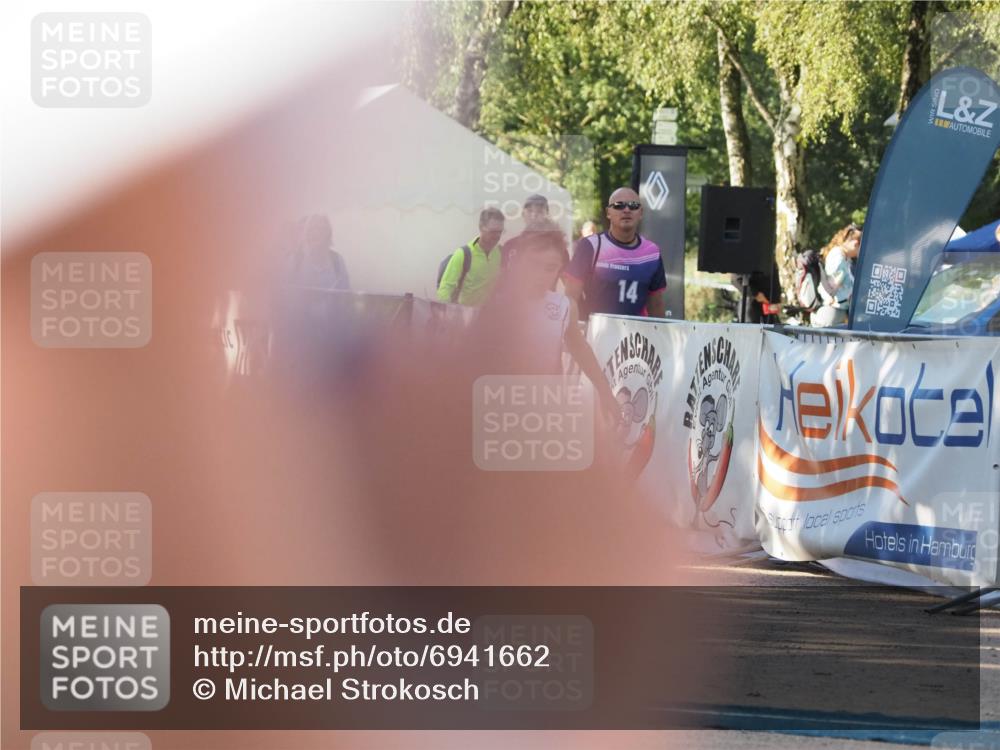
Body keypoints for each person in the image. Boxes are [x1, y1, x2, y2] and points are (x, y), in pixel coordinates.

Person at [471, 220, 620, 423]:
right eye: (533, 265)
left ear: (560, 269)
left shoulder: (564, 307)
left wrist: (605, 392)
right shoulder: (499, 306)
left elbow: (580, 348)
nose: (541, 275)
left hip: (546, 409)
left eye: (550, 268)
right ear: (520, 261)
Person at [563, 187, 667, 319]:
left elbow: (656, 305)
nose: (627, 210)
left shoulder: (652, 252)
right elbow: (570, 297)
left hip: (637, 337)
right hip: (595, 334)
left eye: (633, 206)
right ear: (608, 212)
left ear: (641, 213)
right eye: (619, 205)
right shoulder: (590, 246)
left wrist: (661, 338)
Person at [437, 207, 505, 306]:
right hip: (464, 316)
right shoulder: (463, 254)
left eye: (500, 232)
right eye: (493, 231)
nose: (497, 236)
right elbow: (445, 288)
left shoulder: (501, 252)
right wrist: (446, 315)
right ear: (481, 227)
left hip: (490, 317)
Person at [812, 223, 862, 327]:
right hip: (832, 313)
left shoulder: (845, 258)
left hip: (837, 313)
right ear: (855, 243)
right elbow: (829, 286)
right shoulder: (838, 257)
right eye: (860, 246)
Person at [285, 214, 350, 290]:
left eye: (321, 229)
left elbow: (346, 295)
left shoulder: (337, 261)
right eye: (312, 229)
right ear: (306, 234)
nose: (316, 233)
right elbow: (285, 295)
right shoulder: (295, 260)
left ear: (328, 234)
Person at [500, 193, 550, 268]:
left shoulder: (557, 247)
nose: (534, 215)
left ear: (547, 215)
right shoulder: (510, 246)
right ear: (523, 214)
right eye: (530, 211)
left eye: (539, 211)